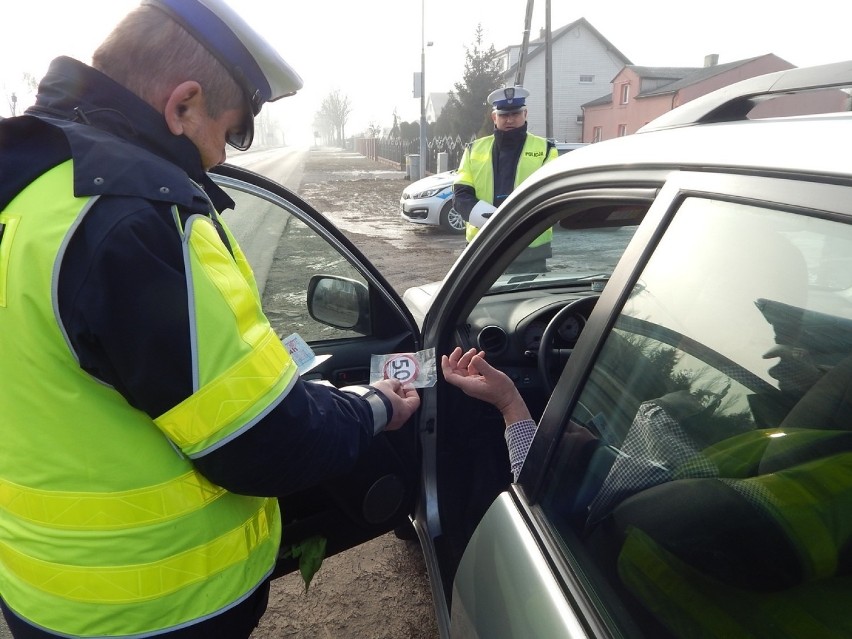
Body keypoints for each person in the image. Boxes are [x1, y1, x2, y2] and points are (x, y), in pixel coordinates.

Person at [0, 1, 420, 637]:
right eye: (233, 131)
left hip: (40, 588)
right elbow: (260, 442)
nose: (223, 158)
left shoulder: (25, 185)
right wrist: (373, 407)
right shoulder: (134, 215)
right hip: (156, 607)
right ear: (184, 104)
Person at [452, 85, 558, 273]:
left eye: (515, 114)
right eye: (503, 115)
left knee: (528, 301)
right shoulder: (473, 150)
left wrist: (515, 224)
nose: (509, 120)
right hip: (482, 245)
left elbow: (552, 196)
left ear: (525, 114)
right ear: (495, 117)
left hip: (529, 246)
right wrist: (494, 223)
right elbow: (461, 196)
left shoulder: (546, 150)